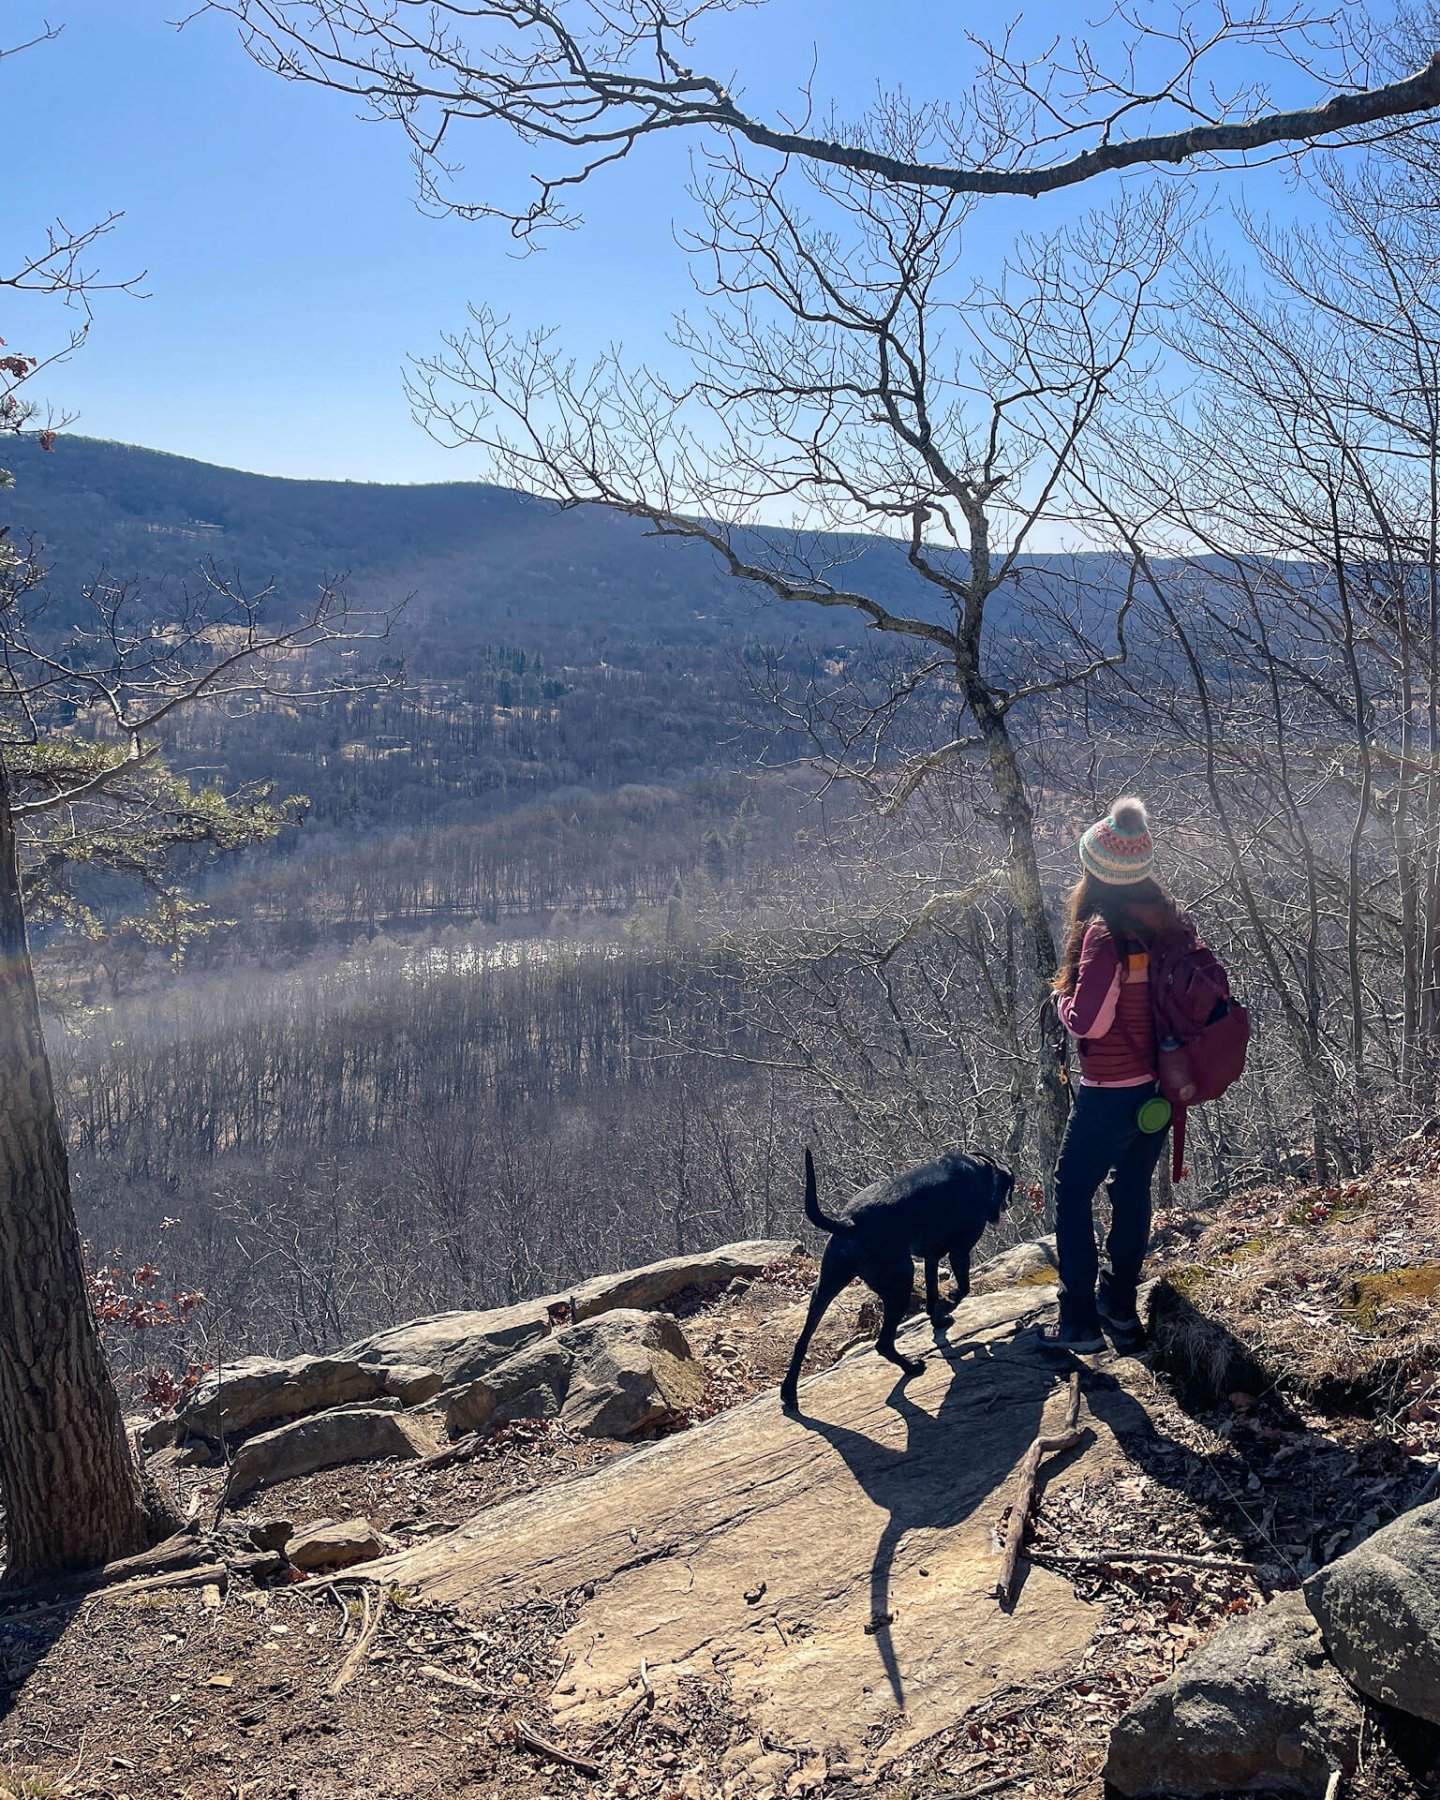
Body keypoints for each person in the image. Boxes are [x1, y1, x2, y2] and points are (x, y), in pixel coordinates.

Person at [1044, 796, 1188, 1355]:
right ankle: (1121, 1308)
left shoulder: (1104, 935)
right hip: (1159, 1086)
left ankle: (1080, 1320)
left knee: (1072, 1191)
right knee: (1130, 1190)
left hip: (1110, 1092)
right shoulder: (1164, 924)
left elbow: (1090, 1020)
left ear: (1094, 872)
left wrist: (1059, 1003)